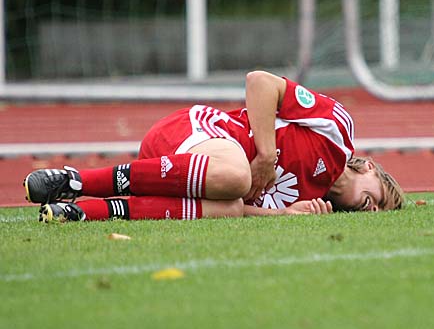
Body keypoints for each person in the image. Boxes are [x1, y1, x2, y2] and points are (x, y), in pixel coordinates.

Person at [23, 71, 404, 222]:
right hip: (193, 131)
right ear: (369, 168)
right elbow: (260, 82)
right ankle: (77, 180)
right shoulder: (337, 132)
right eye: (381, 198)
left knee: (230, 207)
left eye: (377, 213)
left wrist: (284, 215)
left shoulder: (311, 204)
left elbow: (239, 209)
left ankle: (84, 211)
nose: (373, 210)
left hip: (171, 177)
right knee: (238, 177)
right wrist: (266, 155)